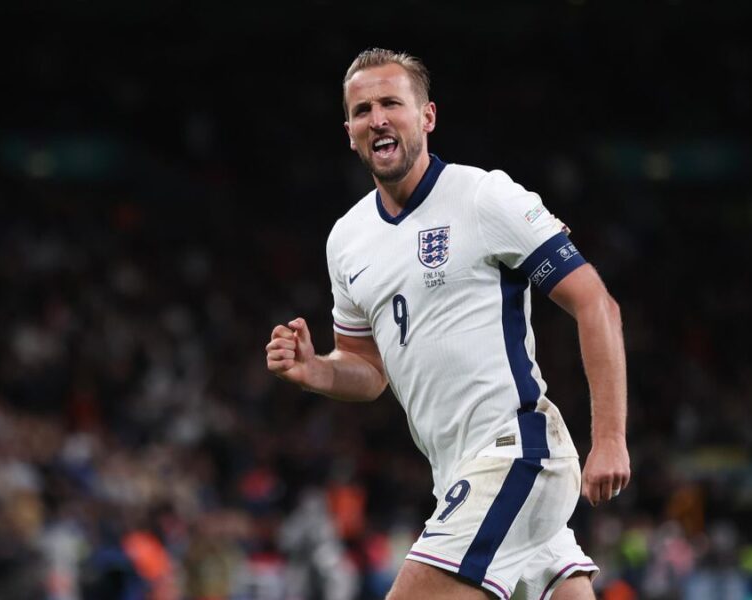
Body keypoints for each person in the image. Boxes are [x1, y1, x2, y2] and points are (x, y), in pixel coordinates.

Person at [265, 48, 629, 600]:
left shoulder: (484, 197)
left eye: (392, 103)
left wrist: (610, 439)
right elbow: (367, 368)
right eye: (363, 110)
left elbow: (595, 303)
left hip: (515, 454)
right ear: (349, 131)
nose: (378, 118)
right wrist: (317, 370)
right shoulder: (347, 240)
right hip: (461, 475)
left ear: (427, 116)